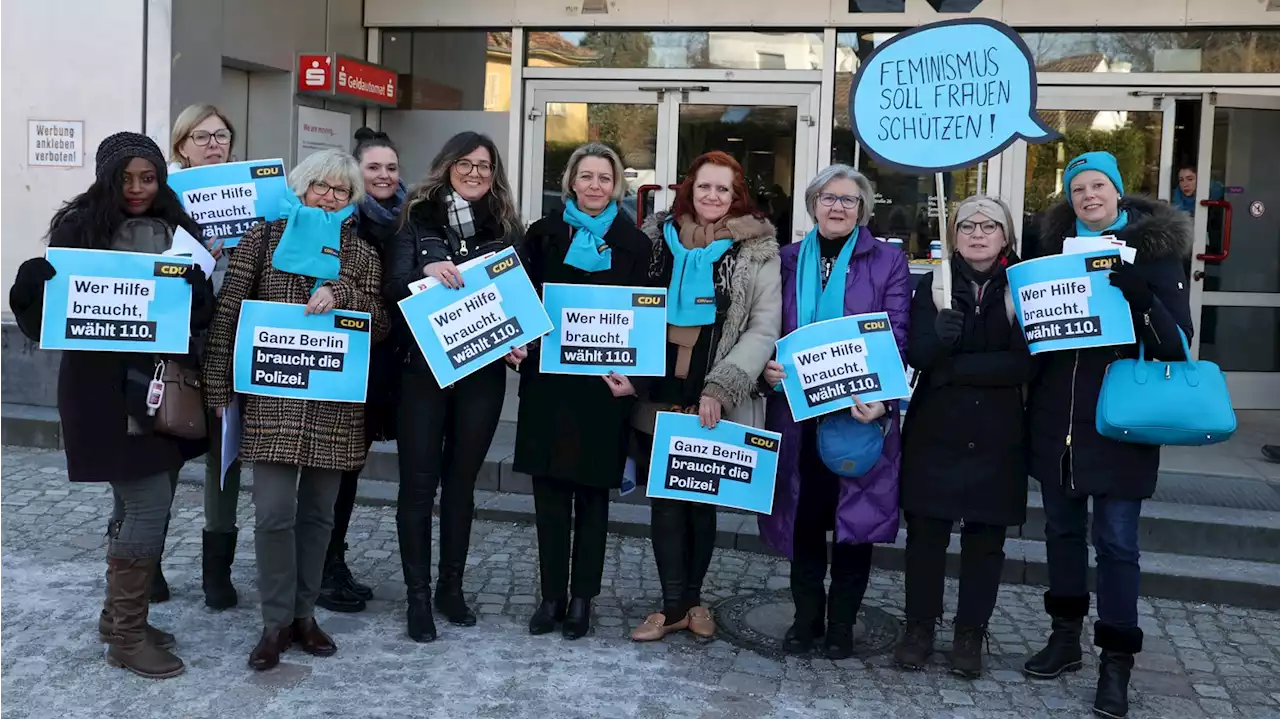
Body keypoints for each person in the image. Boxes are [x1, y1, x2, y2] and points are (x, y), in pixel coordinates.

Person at [8, 132, 214, 678]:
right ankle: (126, 637)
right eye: (127, 179)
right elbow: (44, 321)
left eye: (148, 177)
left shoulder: (179, 224)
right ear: (107, 178)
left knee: (140, 501)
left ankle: (116, 618)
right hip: (101, 389)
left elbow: (198, 318)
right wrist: (28, 289)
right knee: (146, 502)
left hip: (162, 388)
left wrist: (196, 289)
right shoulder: (79, 228)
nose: (139, 188)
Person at [202, 149, 389, 671]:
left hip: (334, 402)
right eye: (320, 187)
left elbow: (382, 322)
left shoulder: (361, 254)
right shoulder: (263, 239)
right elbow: (229, 315)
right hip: (273, 400)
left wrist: (341, 290)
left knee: (318, 517)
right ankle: (274, 620)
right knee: (273, 514)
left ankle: (305, 615)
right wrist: (219, 391)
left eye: (340, 191)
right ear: (301, 186)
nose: (329, 197)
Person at [1021, 152, 1193, 719]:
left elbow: (1179, 346)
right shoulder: (1049, 254)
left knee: (1117, 544)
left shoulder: (1156, 253)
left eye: (1098, 186)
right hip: (1058, 421)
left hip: (1121, 423)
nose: (1088, 196)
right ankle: (1065, 638)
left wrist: (1142, 300)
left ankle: (1116, 662)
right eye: (1078, 189)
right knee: (1062, 536)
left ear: (1118, 192)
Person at [758, 165, 911, 660]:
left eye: (849, 199)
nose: (838, 206)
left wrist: (885, 400)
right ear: (813, 205)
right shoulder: (784, 259)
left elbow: (897, 335)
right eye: (829, 198)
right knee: (804, 519)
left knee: (854, 523)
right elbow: (763, 326)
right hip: (797, 414)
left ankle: (842, 623)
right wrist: (765, 366)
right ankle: (806, 619)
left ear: (863, 208)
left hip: (859, 413)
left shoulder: (887, 260)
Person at [629, 151, 782, 643]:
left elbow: (762, 328)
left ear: (736, 197)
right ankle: (673, 604)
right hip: (658, 388)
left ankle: (694, 600)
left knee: (700, 502)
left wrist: (721, 386)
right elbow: (631, 305)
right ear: (688, 192)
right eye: (704, 188)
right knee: (665, 500)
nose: (712, 197)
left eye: (723, 190)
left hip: (717, 392)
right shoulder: (655, 239)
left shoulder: (757, 250)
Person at [383, 132, 524, 642]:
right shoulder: (416, 219)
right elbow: (393, 289)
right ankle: (417, 598)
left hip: (481, 375)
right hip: (422, 372)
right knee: (418, 487)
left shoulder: (506, 228)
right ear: (447, 167)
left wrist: (518, 339)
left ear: (494, 175)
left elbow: (518, 297)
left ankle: (451, 588)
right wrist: (426, 269)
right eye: (465, 163)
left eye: (485, 167)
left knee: (461, 485)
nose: (475, 173)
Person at [516, 143, 653, 640]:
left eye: (605, 178)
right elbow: (521, 302)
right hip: (548, 388)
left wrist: (635, 377)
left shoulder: (635, 243)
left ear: (617, 186)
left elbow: (645, 319)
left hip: (603, 392)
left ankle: (581, 602)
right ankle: (551, 596)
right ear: (571, 181)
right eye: (586, 176)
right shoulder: (543, 234)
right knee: (549, 497)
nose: (595, 186)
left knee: (593, 500)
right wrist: (516, 343)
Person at [893, 195, 1033, 678]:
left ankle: (970, 632)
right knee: (926, 536)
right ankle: (919, 627)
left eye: (989, 225)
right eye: (967, 225)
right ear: (952, 234)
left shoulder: (1024, 286)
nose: (978, 233)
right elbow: (917, 354)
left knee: (985, 540)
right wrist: (939, 339)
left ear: (1006, 236)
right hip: (937, 430)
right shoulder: (934, 283)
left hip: (997, 434)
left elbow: (1027, 362)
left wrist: (957, 365)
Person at [315, 128, 406, 614]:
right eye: (374, 168)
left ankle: (334, 560)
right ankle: (324, 565)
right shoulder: (338, 224)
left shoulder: (405, 220)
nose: (384, 176)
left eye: (391, 168)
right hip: (336, 359)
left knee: (350, 464)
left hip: (383, 359)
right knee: (334, 466)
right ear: (356, 173)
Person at [170, 103, 242, 610]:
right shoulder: (162, 204)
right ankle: (143, 560)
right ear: (181, 147)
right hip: (174, 352)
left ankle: (217, 572)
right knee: (157, 459)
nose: (214, 144)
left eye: (222, 135)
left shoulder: (253, 201)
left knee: (225, 462)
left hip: (231, 352)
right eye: (203, 136)